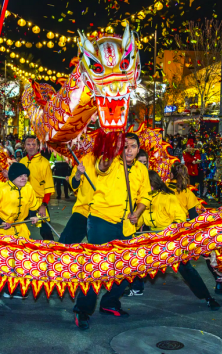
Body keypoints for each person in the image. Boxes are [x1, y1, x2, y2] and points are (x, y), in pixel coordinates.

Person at [72, 133, 150, 331]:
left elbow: (145, 197)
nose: (129, 150)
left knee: (125, 268)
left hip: (126, 225)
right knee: (95, 267)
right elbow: (101, 167)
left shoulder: (142, 170)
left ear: (139, 149)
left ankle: (110, 303)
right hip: (101, 221)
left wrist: (137, 213)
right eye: (125, 147)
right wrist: (111, 146)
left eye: (133, 146)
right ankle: (83, 310)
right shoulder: (110, 161)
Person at [130, 170, 221, 309]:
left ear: (152, 184)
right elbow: (139, 220)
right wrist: (132, 222)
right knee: (135, 260)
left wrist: (170, 233)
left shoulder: (168, 197)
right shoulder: (143, 200)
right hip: (155, 240)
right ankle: (134, 288)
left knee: (187, 269)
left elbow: (180, 218)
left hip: (171, 240)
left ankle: (207, 297)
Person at [0, 162, 43, 319]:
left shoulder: (28, 187)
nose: (24, 178)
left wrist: (32, 215)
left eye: (26, 175)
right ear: (12, 177)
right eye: (21, 175)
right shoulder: (1, 189)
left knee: (17, 262)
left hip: (20, 232)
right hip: (0, 234)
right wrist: (0, 222)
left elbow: (33, 204)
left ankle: (11, 289)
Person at [19, 136, 55, 240]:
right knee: (17, 226)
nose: (31, 147)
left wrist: (44, 205)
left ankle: (51, 251)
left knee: (46, 231)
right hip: (23, 201)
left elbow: (48, 187)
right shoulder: (22, 162)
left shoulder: (45, 163)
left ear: (38, 146)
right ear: (24, 146)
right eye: (28, 144)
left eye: (33, 144)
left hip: (39, 202)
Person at [58, 153, 97, 244]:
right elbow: (74, 184)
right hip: (83, 209)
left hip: (104, 214)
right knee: (64, 245)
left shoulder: (116, 161)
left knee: (101, 251)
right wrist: (78, 175)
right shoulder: (84, 159)